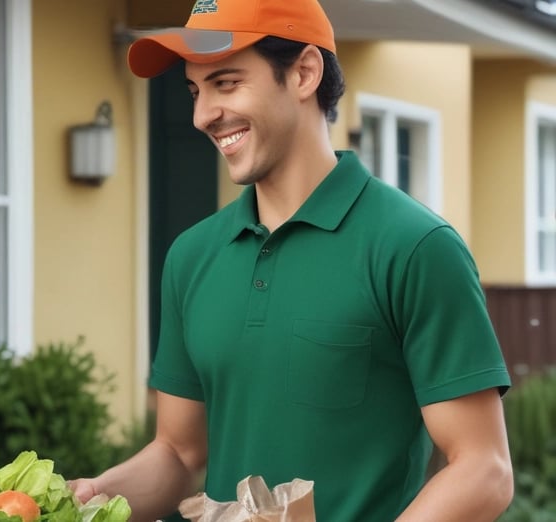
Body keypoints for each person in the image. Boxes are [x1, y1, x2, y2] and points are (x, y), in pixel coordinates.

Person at [70, 1, 514, 520]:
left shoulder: (414, 247)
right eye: (196, 91)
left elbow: (483, 468)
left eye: (226, 83)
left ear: (304, 73)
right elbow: (179, 453)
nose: (202, 115)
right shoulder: (192, 257)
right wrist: (84, 500)